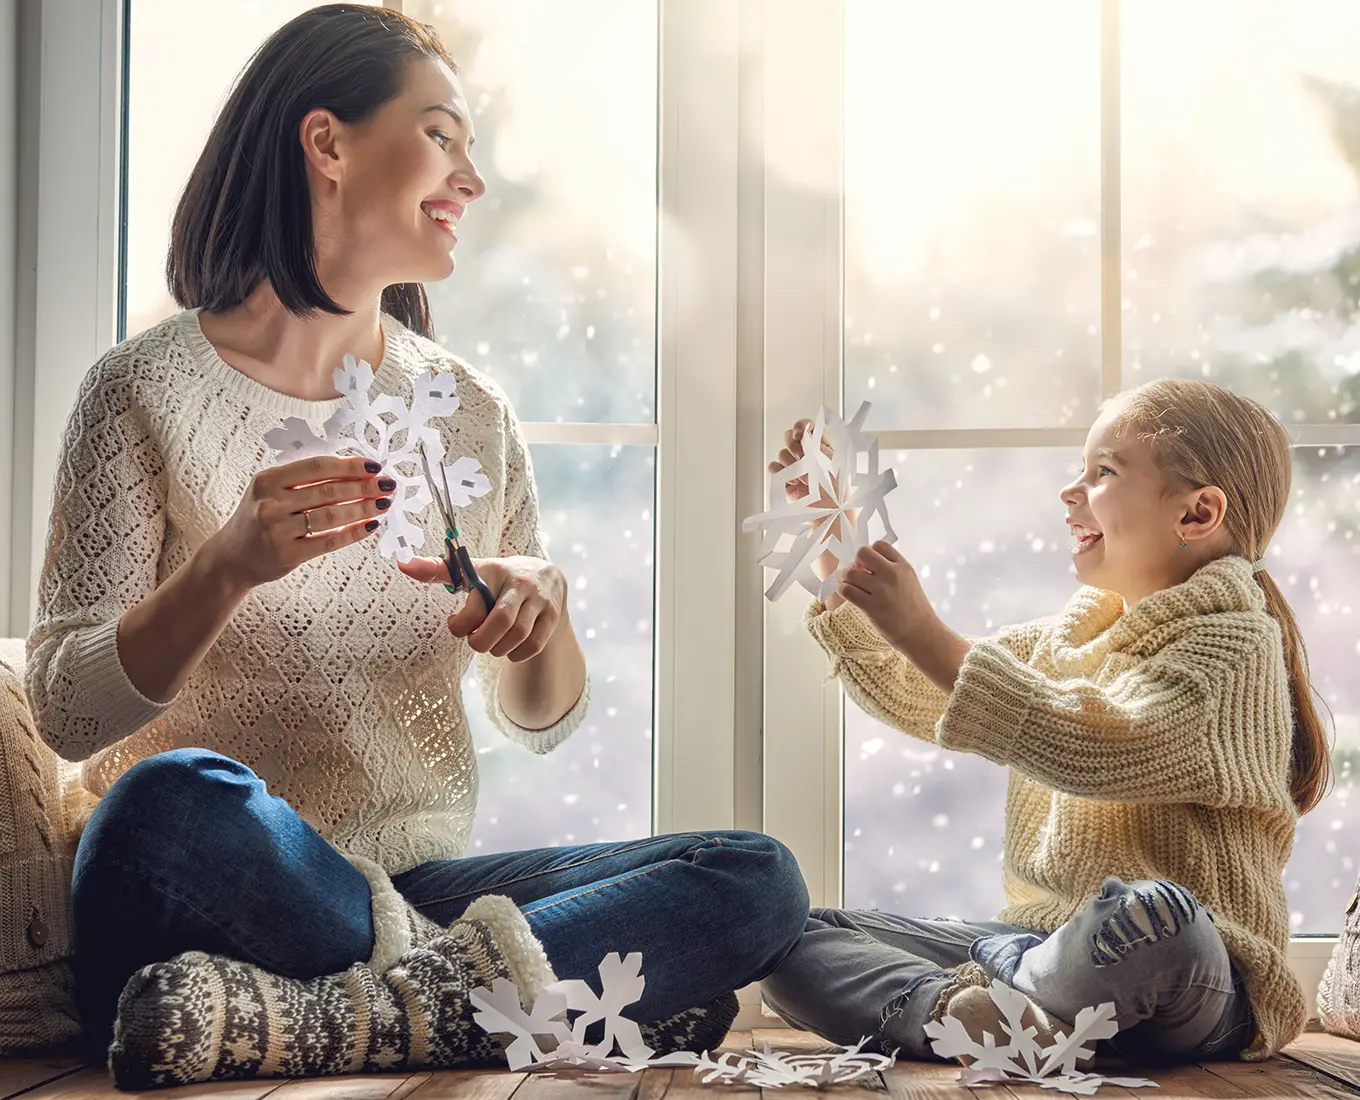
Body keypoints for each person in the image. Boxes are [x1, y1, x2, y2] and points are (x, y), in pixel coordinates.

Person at [24, 6, 807, 1087]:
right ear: (327, 143)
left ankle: (338, 1017)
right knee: (168, 799)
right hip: (199, 888)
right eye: (441, 135)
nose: (470, 179)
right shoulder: (140, 391)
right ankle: (512, 1004)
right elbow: (67, 709)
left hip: (406, 885)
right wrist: (227, 566)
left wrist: (542, 623)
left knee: (753, 874)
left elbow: (537, 718)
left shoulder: (465, 411)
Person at [761, 378, 1327, 1066]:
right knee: (789, 935)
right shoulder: (1070, 637)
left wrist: (923, 629)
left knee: (1156, 918)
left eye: (1102, 473)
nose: (1070, 491)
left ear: (1197, 513)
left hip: (1196, 978)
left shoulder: (1236, 646)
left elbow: (1095, 739)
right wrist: (837, 540)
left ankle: (999, 1000)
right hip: (1041, 948)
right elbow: (927, 692)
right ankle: (970, 1015)